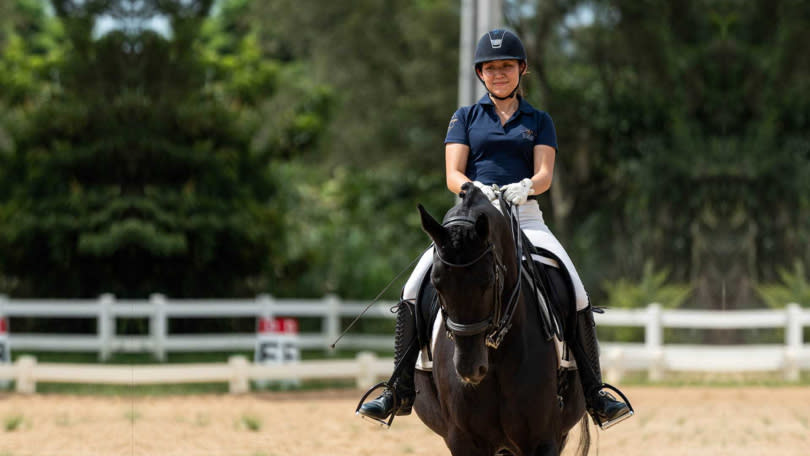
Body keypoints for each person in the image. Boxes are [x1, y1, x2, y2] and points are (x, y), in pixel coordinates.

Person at [357, 29, 633, 430]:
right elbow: (452, 174)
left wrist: (524, 187)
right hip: (472, 217)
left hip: (525, 216)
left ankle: (595, 393)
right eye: (490, 68)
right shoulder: (465, 117)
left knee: (575, 289)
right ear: (481, 74)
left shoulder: (539, 121)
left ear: (521, 69)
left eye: (506, 66)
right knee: (414, 287)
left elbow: (544, 174)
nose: (498, 73)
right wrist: (476, 188)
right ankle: (397, 389)